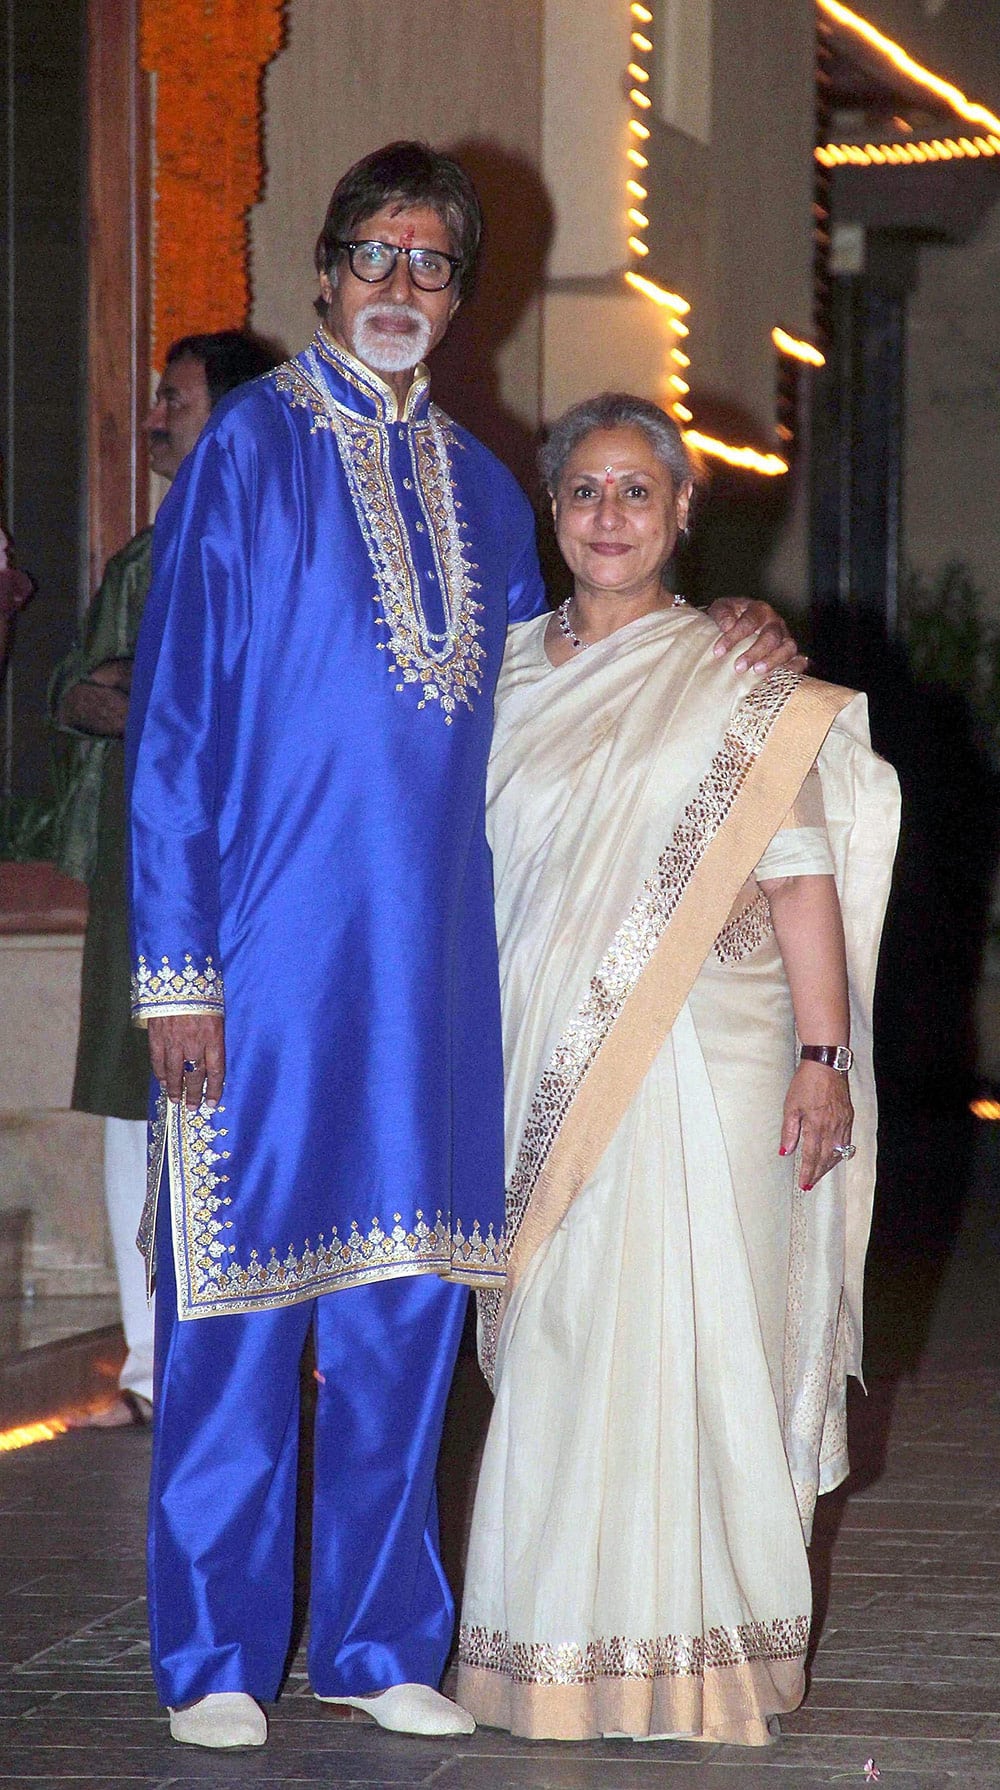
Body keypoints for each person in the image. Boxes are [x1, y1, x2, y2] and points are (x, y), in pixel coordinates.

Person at [126, 142, 803, 1753]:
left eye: (435, 266)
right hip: (264, 971)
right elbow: (174, 732)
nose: (403, 289)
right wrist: (179, 971)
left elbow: (589, 668)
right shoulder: (248, 458)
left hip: (440, 987)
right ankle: (215, 1651)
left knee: (408, 1314)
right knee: (236, 1312)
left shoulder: (496, 496)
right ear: (322, 273)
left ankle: (371, 1637)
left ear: (460, 293)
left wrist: (737, 638)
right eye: (377, 255)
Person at [456, 393, 900, 1746]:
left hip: (719, 1050)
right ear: (552, 505)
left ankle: (705, 1658)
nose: (607, 515)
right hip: (542, 1058)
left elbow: (804, 874)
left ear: (682, 512)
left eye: (636, 493)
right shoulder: (502, 674)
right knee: (571, 1342)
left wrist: (823, 1058)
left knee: (711, 1336)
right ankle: (553, 1648)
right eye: (585, 490)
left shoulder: (732, 671)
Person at [50, 331, 280, 1428]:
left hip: (237, 873)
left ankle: (248, 1338)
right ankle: (150, 1366)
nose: (153, 417)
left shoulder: (265, 540)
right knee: (129, 1100)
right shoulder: (147, 556)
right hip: (134, 873)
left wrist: (135, 691)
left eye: (172, 399)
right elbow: (91, 692)